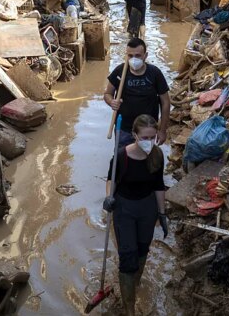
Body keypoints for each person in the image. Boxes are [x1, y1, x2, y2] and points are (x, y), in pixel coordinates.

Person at [103, 114, 169, 316]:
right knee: (128, 256)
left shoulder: (157, 155)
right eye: (145, 137)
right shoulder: (121, 157)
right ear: (135, 135)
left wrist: (162, 213)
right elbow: (110, 180)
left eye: (152, 137)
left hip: (147, 209)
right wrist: (108, 198)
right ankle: (129, 308)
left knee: (142, 251)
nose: (149, 142)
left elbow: (158, 186)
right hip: (125, 209)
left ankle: (136, 282)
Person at [104, 37, 170, 148]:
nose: (133, 59)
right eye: (130, 56)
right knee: (122, 159)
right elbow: (107, 94)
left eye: (138, 56)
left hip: (147, 130)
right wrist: (112, 102)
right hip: (124, 128)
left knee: (146, 159)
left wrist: (162, 130)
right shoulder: (119, 71)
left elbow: (165, 102)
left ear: (145, 55)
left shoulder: (155, 73)